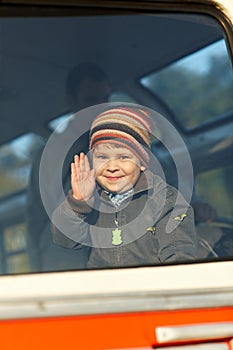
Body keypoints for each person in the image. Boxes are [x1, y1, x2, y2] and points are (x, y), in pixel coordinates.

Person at [51, 105, 197, 268]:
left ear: (142, 162)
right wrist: (78, 201)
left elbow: (179, 256)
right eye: (102, 157)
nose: (112, 166)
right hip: (106, 291)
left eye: (123, 157)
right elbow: (65, 240)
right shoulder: (92, 199)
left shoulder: (165, 199)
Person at [26, 62, 111, 272]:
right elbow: (35, 218)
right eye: (91, 101)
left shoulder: (123, 145)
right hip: (63, 265)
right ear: (71, 101)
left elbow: (162, 184)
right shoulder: (48, 156)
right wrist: (37, 274)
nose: (100, 108)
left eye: (105, 100)